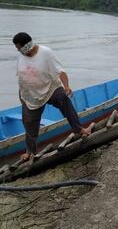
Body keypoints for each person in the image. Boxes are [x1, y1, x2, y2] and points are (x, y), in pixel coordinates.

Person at [12, 32, 91, 161]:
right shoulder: (20, 57)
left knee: (63, 98)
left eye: (18, 47)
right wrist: (21, 95)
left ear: (26, 46)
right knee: (29, 124)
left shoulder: (45, 53)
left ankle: (79, 129)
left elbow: (60, 71)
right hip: (31, 95)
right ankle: (30, 152)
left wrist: (66, 86)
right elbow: (21, 78)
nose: (17, 50)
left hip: (50, 88)